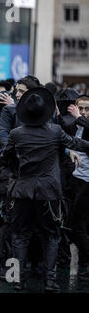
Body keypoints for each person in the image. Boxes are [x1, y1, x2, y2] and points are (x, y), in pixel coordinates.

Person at [1, 87, 89, 292]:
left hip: (22, 191)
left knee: (20, 236)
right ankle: (50, 282)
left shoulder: (16, 133)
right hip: (49, 193)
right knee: (50, 236)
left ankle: (17, 280)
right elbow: (77, 143)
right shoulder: (55, 131)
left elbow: (6, 158)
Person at [65, 95, 89, 281]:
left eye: (87, 109)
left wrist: (78, 118)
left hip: (87, 182)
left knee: (77, 227)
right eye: (80, 108)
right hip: (76, 179)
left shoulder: (83, 123)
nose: (83, 113)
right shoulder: (76, 125)